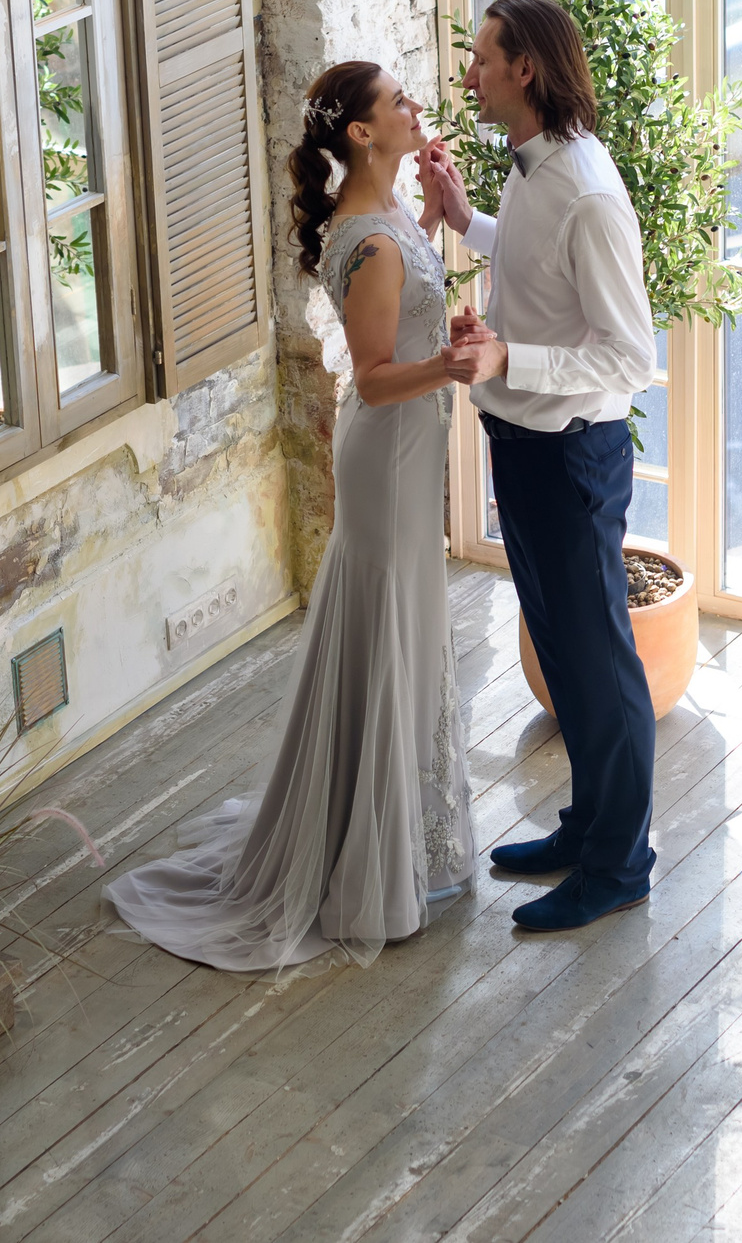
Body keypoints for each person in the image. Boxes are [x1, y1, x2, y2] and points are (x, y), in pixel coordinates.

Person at [103, 61, 475, 971]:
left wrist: (436, 215)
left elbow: (409, 297)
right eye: (397, 101)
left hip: (406, 447)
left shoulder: (390, 219)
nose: (412, 104)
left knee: (407, 626)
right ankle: (369, 863)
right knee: (387, 625)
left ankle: (399, 833)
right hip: (389, 449)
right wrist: (451, 369)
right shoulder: (370, 240)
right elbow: (379, 374)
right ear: (358, 132)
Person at [419, 0, 659, 934]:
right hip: (522, 448)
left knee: (600, 667)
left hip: (572, 461)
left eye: (481, 58)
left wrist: (512, 358)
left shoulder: (591, 193)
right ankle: (585, 827)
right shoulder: (533, 170)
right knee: (565, 654)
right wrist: (464, 217)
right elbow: (529, 265)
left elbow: (629, 355)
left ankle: (620, 866)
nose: (469, 73)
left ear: (525, 70)